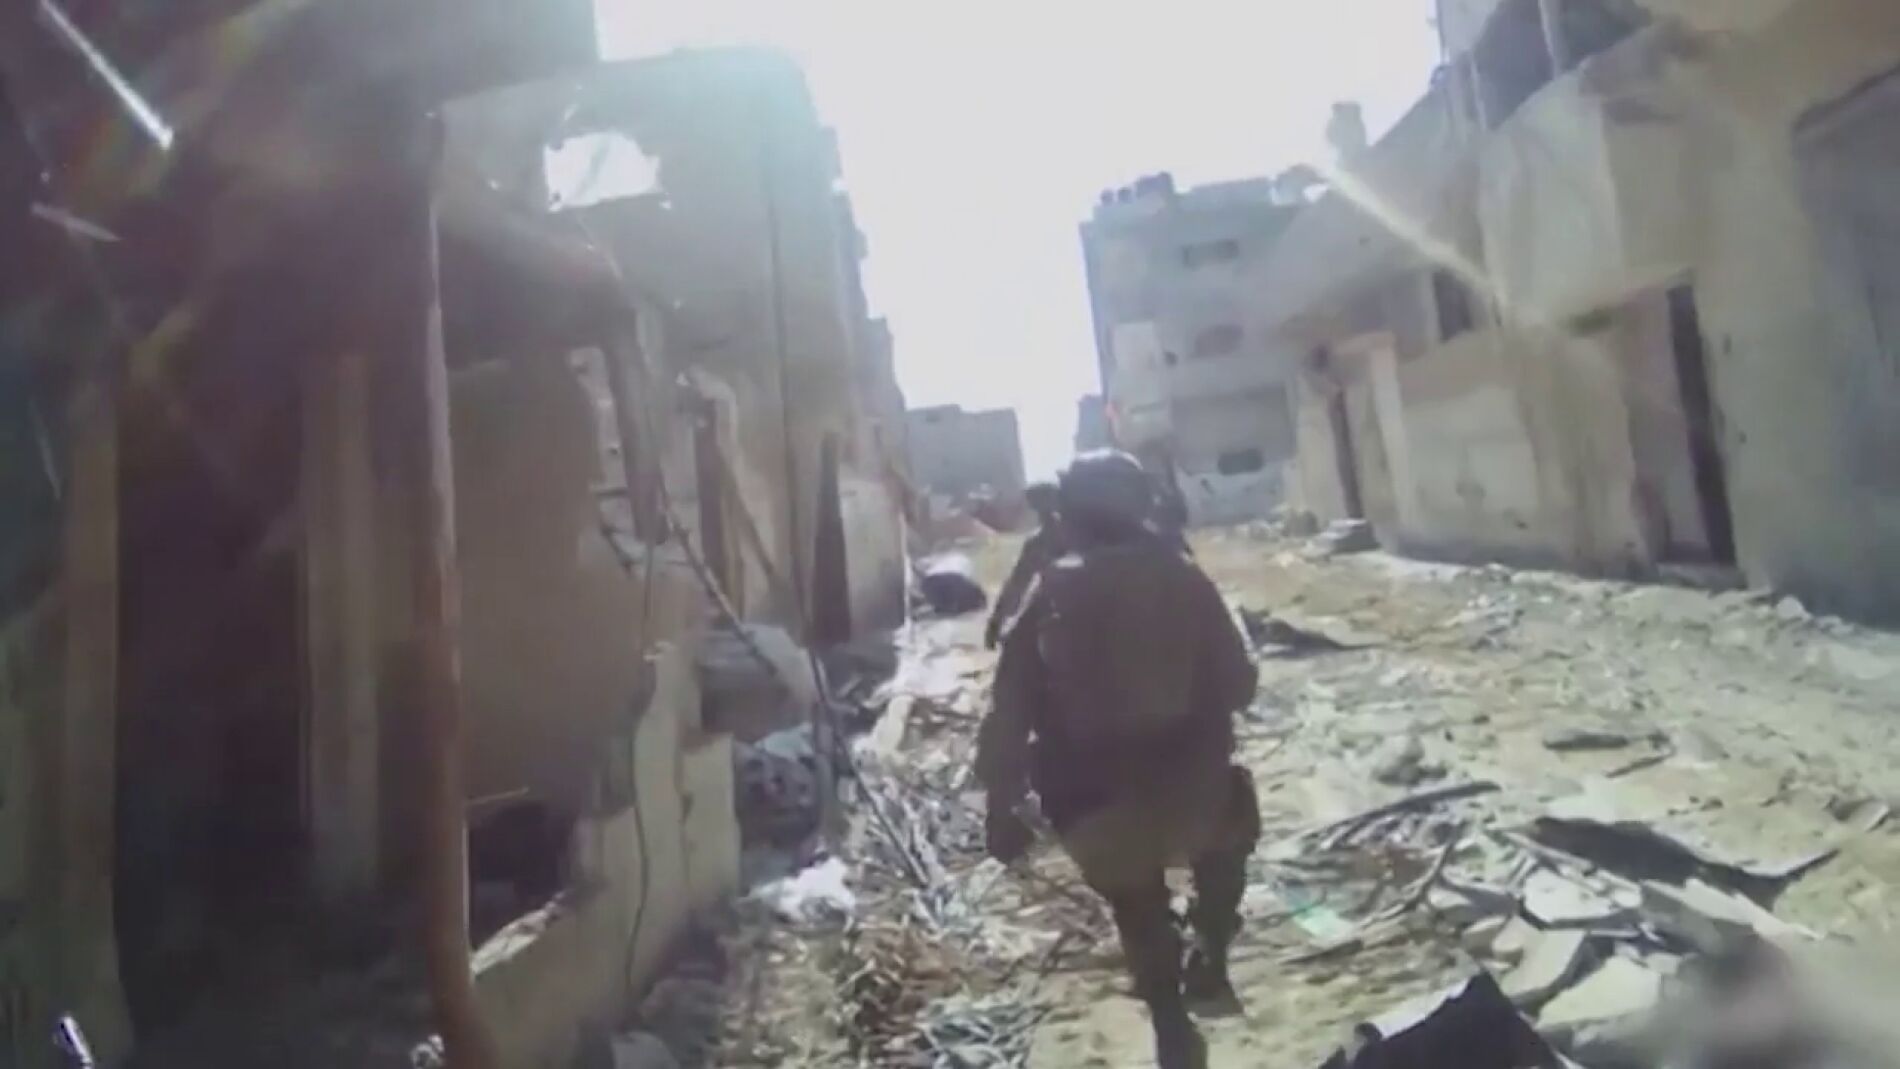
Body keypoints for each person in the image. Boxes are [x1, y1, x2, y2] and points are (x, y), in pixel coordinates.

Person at [976, 450, 1261, 1069]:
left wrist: (1000, 805)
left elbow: (1008, 711)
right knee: (1229, 836)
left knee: (1136, 905)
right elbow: (1240, 683)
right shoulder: (1184, 578)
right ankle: (1212, 946)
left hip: (1095, 801)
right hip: (1195, 787)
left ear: (1071, 513)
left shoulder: (1050, 590)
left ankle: (1169, 1019)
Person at [984, 482, 1064, 650]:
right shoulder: (1038, 543)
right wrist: (996, 622)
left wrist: (996, 622)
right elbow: (1017, 585)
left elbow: (1017, 585)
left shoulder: (1044, 541)